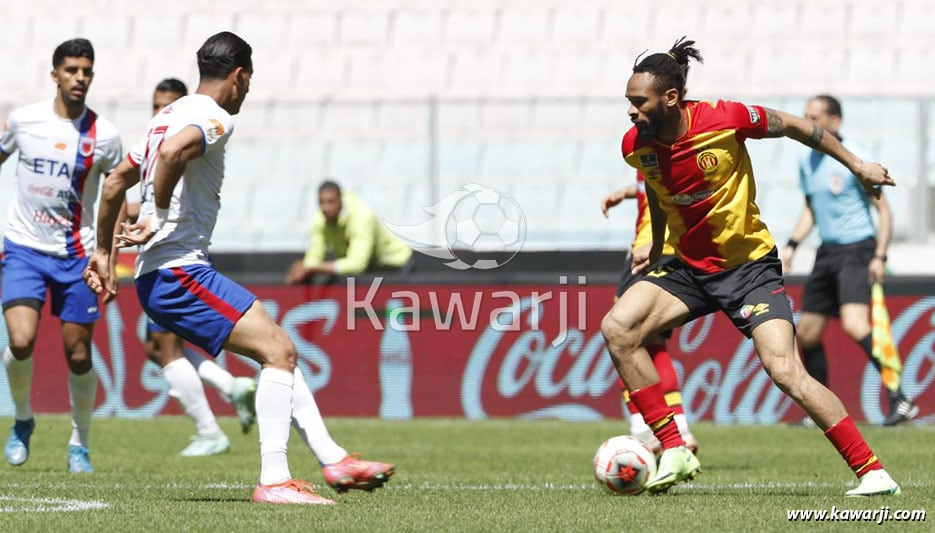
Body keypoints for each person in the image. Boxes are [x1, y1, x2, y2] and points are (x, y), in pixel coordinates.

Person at [84, 32, 394, 505]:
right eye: (249, 82)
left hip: (164, 274)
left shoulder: (165, 116)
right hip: (178, 273)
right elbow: (171, 155)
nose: (247, 91)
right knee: (278, 351)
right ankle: (274, 481)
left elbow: (113, 185)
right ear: (239, 75)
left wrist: (103, 255)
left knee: (278, 350)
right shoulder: (214, 116)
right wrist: (159, 217)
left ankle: (333, 458)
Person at [603, 37, 900, 496]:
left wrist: (858, 166)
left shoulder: (725, 118)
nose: (630, 111)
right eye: (628, 101)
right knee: (619, 328)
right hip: (688, 268)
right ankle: (675, 448)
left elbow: (797, 126)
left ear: (671, 97)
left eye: (638, 102)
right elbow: (660, 196)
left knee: (785, 371)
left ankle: (873, 472)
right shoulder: (635, 146)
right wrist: (657, 246)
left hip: (748, 270)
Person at [0, 38, 123, 474]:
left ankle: (79, 443)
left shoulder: (105, 136)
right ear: (55, 75)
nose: (80, 78)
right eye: (72, 70)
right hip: (24, 249)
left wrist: (110, 256)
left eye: (86, 71)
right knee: (20, 341)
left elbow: (116, 194)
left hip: (77, 256)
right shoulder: (24, 121)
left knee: (79, 355)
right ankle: (22, 420)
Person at [119, 77, 257, 457]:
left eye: (166, 104)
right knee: (156, 346)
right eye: (155, 105)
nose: (159, 112)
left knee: (166, 348)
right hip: (163, 257)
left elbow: (172, 195)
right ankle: (231, 387)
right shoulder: (157, 142)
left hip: (175, 260)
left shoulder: (186, 143)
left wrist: (147, 215)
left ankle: (209, 430)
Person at [781, 95, 918, 428]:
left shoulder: (856, 158)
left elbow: (884, 212)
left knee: (856, 324)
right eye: (804, 116)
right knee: (807, 334)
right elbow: (812, 207)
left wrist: (880, 255)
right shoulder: (806, 159)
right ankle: (821, 410)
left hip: (857, 249)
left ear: (835, 122)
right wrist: (792, 244)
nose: (807, 123)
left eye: (814, 118)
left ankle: (900, 397)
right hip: (827, 252)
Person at [601, 174, 697, 455]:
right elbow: (656, 184)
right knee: (654, 346)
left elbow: (660, 181)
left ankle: (643, 429)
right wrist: (627, 192)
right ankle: (680, 427)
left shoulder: (646, 150)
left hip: (649, 251)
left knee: (622, 341)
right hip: (676, 252)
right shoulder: (665, 151)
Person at [285, 180, 413, 284]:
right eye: (321, 202)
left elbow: (357, 264)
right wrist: (302, 272)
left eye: (330, 202)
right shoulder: (319, 218)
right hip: (369, 272)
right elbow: (314, 255)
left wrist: (312, 268)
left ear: (340, 200)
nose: (326, 208)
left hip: (397, 268)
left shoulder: (361, 216)